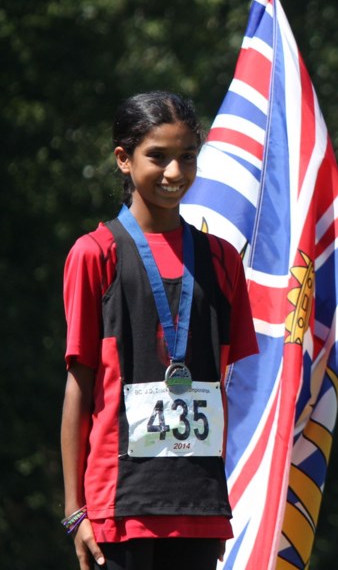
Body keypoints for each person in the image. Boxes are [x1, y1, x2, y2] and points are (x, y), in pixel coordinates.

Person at [60, 91, 259, 570]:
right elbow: (79, 388)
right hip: (119, 505)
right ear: (124, 160)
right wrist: (74, 512)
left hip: (199, 505)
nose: (175, 173)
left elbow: (230, 383)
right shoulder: (96, 253)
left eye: (187, 157)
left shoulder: (221, 259)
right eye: (158, 157)